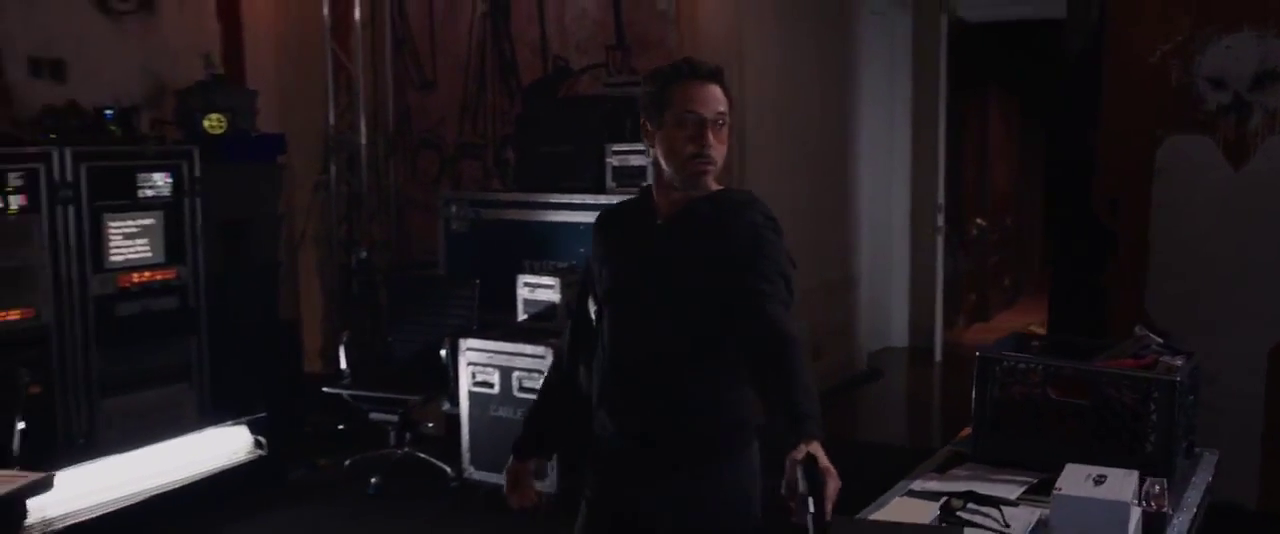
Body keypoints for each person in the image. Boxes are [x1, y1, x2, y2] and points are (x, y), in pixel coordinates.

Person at [504, 56, 841, 533]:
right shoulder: (617, 229)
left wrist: (805, 435)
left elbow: (776, 335)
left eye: (719, 124)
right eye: (688, 124)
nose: (707, 140)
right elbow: (581, 349)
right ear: (650, 131)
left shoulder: (744, 224)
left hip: (710, 476)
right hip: (617, 472)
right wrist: (530, 446)